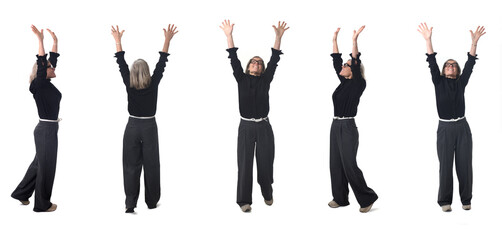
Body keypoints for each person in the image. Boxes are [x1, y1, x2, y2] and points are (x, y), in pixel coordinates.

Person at [220, 20, 288, 212]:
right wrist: (229, 36)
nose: (256, 63)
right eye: (253, 62)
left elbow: (274, 59)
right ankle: (244, 200)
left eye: (259, 62)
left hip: (264, 127)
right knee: (244, 164)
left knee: (266, 162)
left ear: (262, 68)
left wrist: (278, 37)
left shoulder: (266, 80)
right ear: (249, 66)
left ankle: (267, 192)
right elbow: (233, 58)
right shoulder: (240, 78)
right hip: (246, 127)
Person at [418, 22, 485, 212]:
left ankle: (466, 200)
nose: (450, 66)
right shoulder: (437, 82)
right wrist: (428, 40)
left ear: (457, 70)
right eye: (447, 65)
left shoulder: (461, 83)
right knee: (445, 165)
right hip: (445, 129)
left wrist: (474, 43)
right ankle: (445, 201)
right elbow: (431, 61)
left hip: (463, 128)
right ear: (443, 69)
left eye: (453, 65)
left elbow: (470, 64)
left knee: (465, 165)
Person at [111, 24, 178, 213]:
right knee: (151, 164)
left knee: (130, 165)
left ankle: (130, 204)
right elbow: (162, 62)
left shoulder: (128, 82)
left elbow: (121, 62)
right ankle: (151, 201)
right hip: (149, 126)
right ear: (147, 71)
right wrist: (167, 40)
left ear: (133, 72)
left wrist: (118, 41)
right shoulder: (153, 82)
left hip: (132, 126)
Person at [328, 26, 378, 213]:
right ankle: (340, 198)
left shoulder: (358, 83)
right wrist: (334, 40)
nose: (343, 66)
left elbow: (355, 62)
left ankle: (367, 198)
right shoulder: (343, 83)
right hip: (335, 125)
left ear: (353, 70)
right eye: (344, 65)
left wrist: (354, 41)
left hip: (348, 126)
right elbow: (335, 62)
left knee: (349, 163)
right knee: (336, 163)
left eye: (346, 65)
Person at [11, 25, 60, 212]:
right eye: (49, 66)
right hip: (46, 130)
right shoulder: (39, 84)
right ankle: (42, 204)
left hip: (48, 130)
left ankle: (21, 193)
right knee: (46, 168)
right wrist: (40, 41)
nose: (53, 67)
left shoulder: (45, 84)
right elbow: (42, 63)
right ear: (42, 70)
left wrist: (55, 43)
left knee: (39, 164)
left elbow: (50, 61)